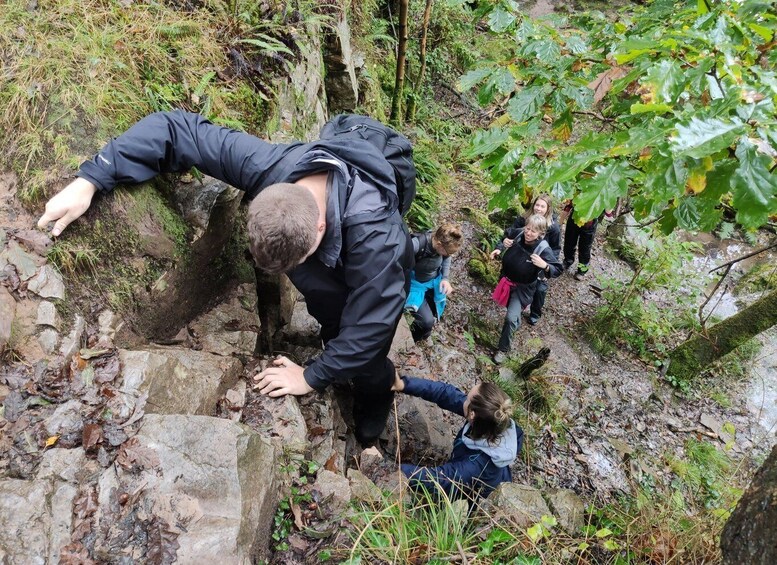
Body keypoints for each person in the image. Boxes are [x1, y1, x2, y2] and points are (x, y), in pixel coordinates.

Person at [36, 110, 414, 446]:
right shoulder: (270, 167)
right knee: (332, 316)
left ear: (319, 227)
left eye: (296, 263)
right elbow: (177, 129)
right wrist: (90, 179)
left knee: (356, 335)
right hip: (330, 230)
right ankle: (339, 343)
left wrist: (311, 377)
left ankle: (375, 391)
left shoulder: (378, 241)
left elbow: (372, 327)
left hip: (364, 249)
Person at [392, 371, 522, 500]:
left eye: (467, 399)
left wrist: (385, 467)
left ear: (472, 414)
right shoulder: (491, 419)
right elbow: (446, 394)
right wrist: (403, 384)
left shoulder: (474, 467)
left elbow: (435, 478)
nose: (463, 399)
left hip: (475, 499)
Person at [489, 214, 562, 363]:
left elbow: (558, 269)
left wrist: (545, 265)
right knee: (512, 314)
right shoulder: (519, 233)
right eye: (527, 228)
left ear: (540, 234)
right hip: (506, 280)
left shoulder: (543, 249)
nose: (528, 233)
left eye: (533, 231)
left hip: (522, 289)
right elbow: (505, 235)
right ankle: (516, 322)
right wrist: (500, 246)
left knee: (510, 318)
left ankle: (503, 349)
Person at [493, 194, 560, 325]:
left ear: (548, 209)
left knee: (540, 289)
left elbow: (555, 250)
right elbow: (509, 234)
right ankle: (514, 311)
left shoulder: (553, 227)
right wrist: (502, 245)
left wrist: (546, 266)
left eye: (542, 206)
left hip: (540, 261)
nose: (539, 208)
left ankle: (535, 313)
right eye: (537, 205)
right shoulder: (523, 219)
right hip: (520, 257)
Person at [404, 223, 463, 342]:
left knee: (435, 310)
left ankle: (422, 334)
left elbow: (447, 258)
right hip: (414, 284)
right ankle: (412, 340)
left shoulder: (443, 248)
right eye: (449, 252)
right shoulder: (417, 245)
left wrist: (445, 279)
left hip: (433, 281)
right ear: (439, 245)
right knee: (426, 323)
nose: (450, 255)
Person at [561, 203, 598, 281]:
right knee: (569, 242)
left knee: (585, 247)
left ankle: (582, 270)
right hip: (575, 217)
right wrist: (560, 222)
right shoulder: (579, 190)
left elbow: (609, 213)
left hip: (590, 222)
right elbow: (568, 205)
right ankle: (567, 261)